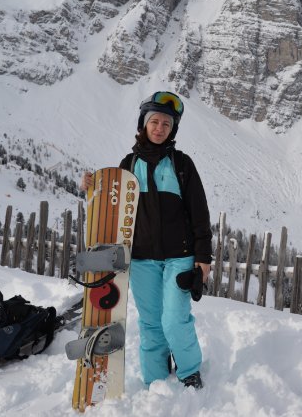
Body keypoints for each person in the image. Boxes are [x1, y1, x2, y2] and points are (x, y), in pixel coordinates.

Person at [82, 91, 212, 389]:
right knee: (151, 323)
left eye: (166, 124)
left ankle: (189, 370)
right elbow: (109, 209)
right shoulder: (127, 165)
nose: (159, 128)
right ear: (143, 124)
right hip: (141, 259)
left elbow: (200, 214)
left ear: (172, 130)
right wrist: (91, 190)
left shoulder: (181, 164)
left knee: (174, 320)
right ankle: (155, 378)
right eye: (154, 122)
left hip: (179, 256)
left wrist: (203, 258)